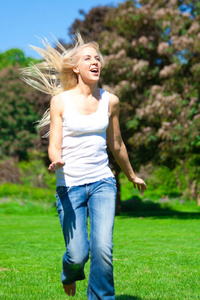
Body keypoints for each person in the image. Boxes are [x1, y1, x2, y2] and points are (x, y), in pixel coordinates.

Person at [21, 32, 146, 299]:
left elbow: (117, 145)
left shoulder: (110, 101)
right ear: (76, 68)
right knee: (78, 254)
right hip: (70, 186)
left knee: (103, 249)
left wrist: (132, 175)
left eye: (97, 58)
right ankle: (70, 272)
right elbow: (54, 143)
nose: (95, 62)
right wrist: (56, 159)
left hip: (103, 182)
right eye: (87, 58)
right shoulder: (61, 101)